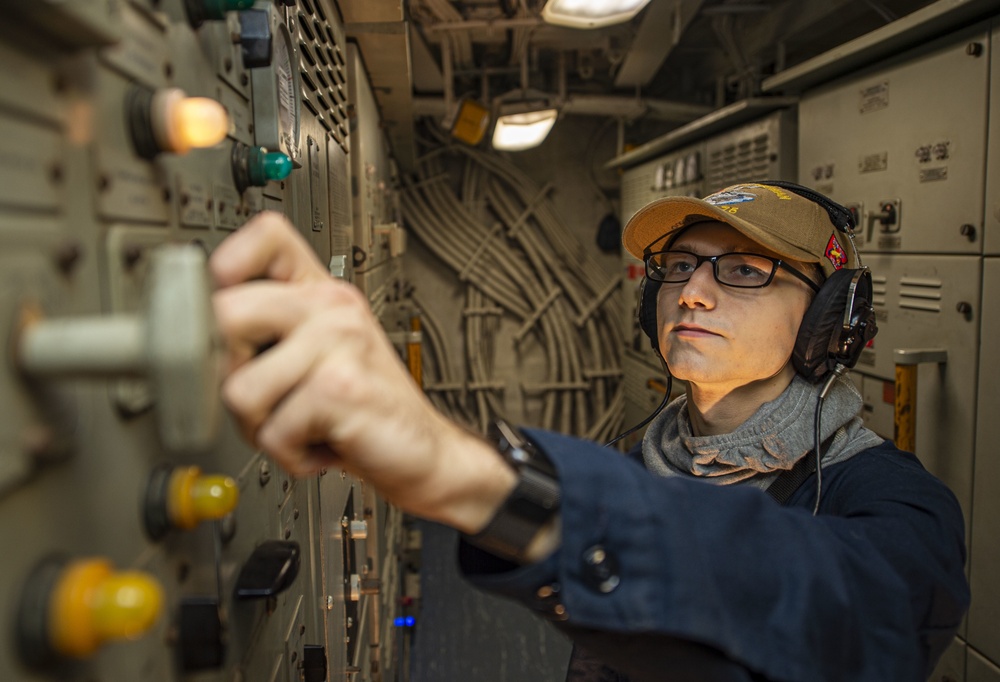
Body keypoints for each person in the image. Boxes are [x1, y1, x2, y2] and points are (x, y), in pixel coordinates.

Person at [210, 181, 969, 682]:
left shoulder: (892, 501)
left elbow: (863, 611)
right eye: (679, 267)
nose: (693, 294)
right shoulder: (642, 456)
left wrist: (476, 475)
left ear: (831, 321)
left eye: (742, 271)